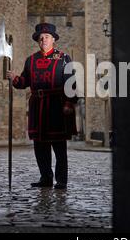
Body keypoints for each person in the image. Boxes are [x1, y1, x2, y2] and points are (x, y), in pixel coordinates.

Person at [6, 22, 77, 189]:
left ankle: (61, 180)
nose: (43, 40)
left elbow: (71, 84)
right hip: (38, 108)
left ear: (53, 39)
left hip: (57, 108)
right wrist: (15, 78)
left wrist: (69, 103)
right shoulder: (31, 61)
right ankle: (45, 178)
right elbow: (24, 82)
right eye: (40, 38)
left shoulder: (64, 58)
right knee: (40, 146)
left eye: (46, 37)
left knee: (59, 147)